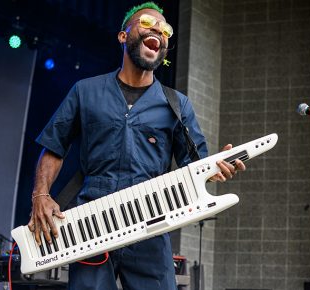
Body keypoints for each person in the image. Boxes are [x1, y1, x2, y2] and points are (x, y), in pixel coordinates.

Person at [28, 2, 245, 289]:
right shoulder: (86, 91)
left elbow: (196, 163)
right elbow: (54, 146)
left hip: (150, 222)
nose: (158, 29)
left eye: (165, 29)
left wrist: (214, 167)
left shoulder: (178, 105)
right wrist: (40, 195)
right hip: (93, 222)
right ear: (123, 36)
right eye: (146, 24)